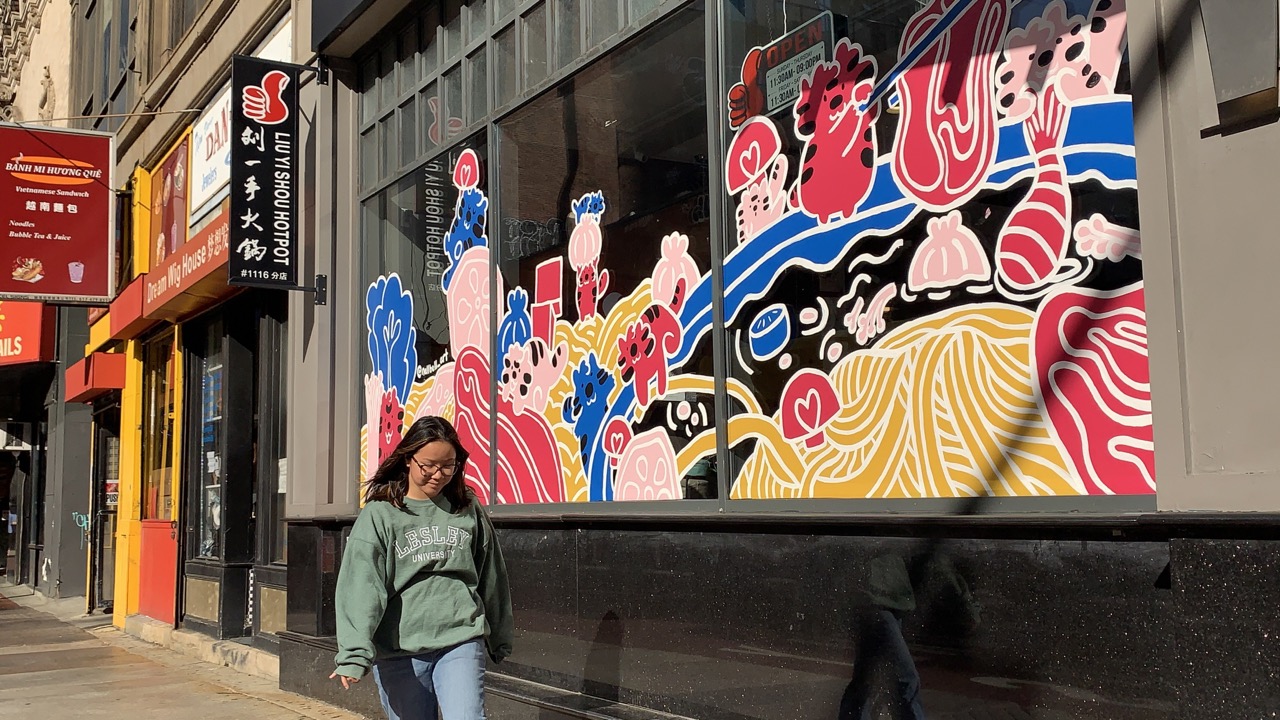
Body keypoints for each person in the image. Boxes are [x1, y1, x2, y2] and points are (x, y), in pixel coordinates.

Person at [330, 416, 513, 720]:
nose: (438, 475)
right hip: (399, 649)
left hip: (460, 637)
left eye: (448, 466)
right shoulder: (381, 513)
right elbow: (362, 586)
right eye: (428, 465)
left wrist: (499, 635)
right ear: (407, 459)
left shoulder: (465, 505)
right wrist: (353, 655)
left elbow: (491, 572)